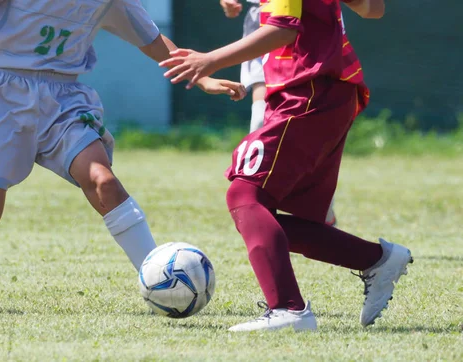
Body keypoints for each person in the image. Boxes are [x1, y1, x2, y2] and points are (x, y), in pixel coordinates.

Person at [0, 0, 246, 294]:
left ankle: (159, 278)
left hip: (64, 100)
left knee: (102, 180)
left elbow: (152, 40)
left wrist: (202, 77)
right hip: (4, 98)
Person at [161, 0, 412, 331]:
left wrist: (209, 60)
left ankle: (289, 310)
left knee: (244, 197)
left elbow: (282, 28)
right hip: (321, 91)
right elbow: (372, 8)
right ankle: (375, 259)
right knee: (265, 216)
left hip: (308, 90)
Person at [220, 0, 337, 226]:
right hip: (262, 20)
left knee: (301, 125)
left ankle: (318, 205)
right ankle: (263, 217)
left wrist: (210, 61)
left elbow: (372, 9)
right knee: (260, 125)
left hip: (307, 19)